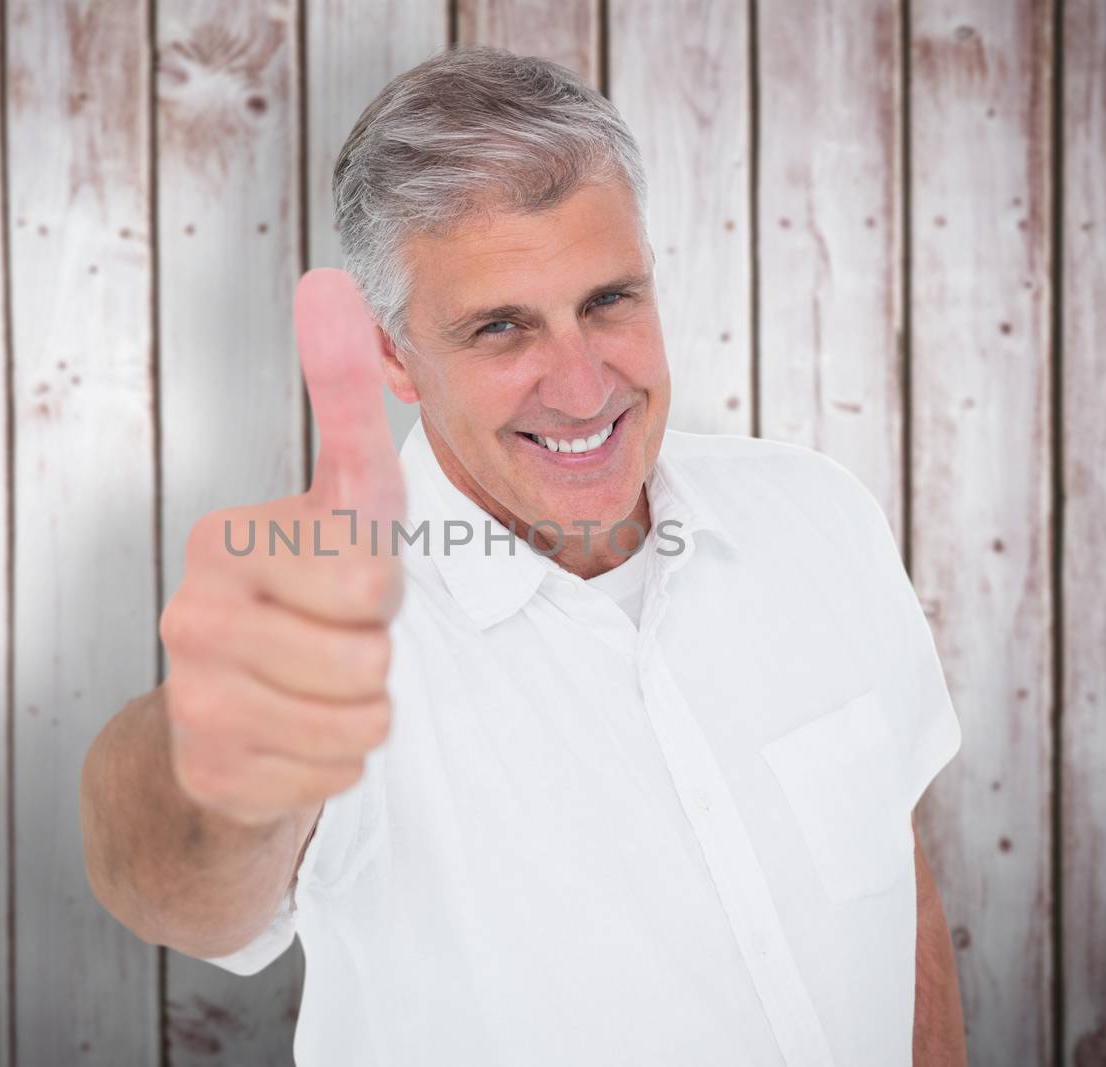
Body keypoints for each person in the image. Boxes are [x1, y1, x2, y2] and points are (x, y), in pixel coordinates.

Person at [80, 45, 965, 1066]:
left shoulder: (817, 517)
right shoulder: (342, 628)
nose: (584, 388)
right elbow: (167, 885)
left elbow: (894, 877)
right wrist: (215, 749)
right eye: (502, 327)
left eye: (607, 301)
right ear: (391, 356)